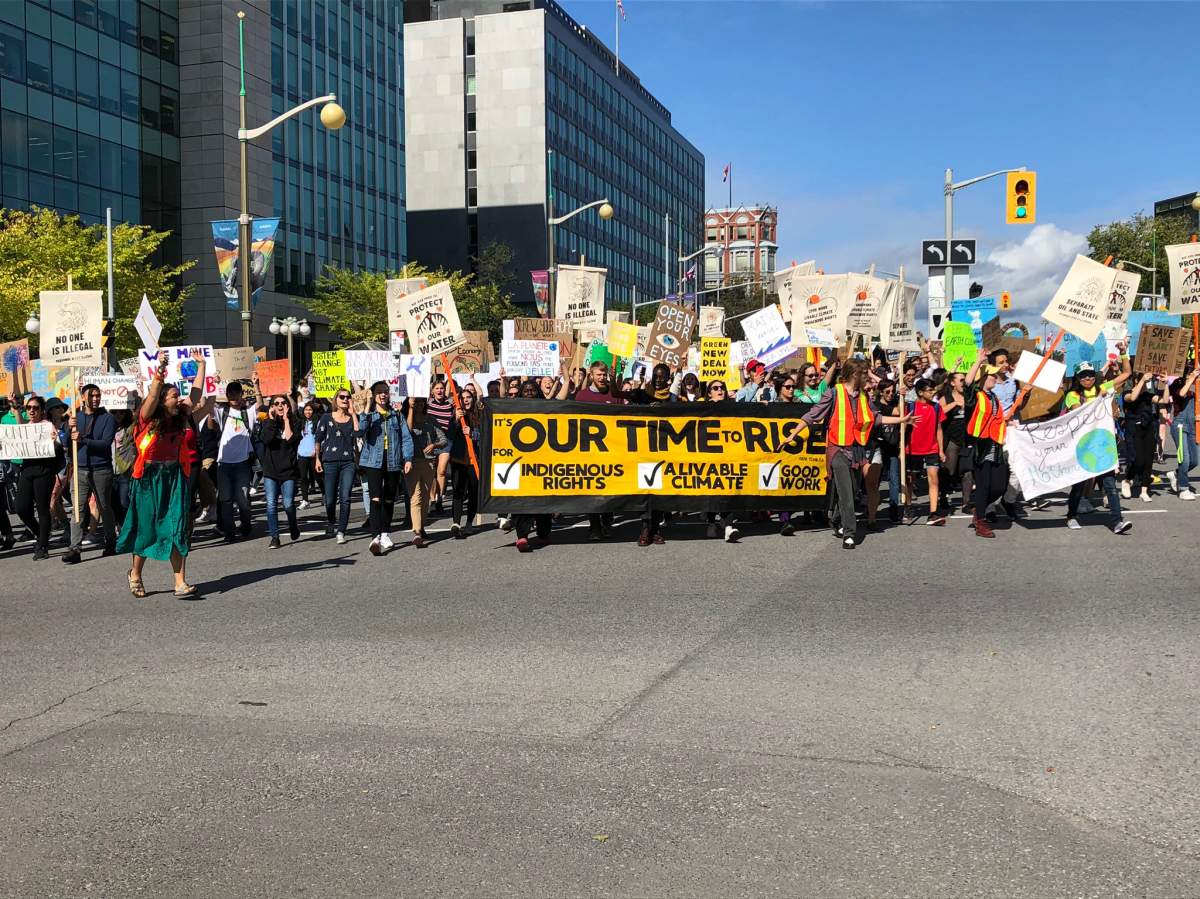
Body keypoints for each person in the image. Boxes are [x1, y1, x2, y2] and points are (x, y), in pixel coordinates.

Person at [793, 359, 909, 549]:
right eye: (865, 374)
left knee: (854, 491)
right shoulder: (833, 393)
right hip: (836, 447)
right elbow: (813, 415)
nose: (868, 378)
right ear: (855, 375)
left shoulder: (864, 396)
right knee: (846, 491)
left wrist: (901, 419)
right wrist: (793, 434)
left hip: (856, 448)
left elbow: (876, 418)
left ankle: (837, 518)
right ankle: (850, 533)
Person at [117, 350, 204, 597]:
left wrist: (202, 365)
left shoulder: (182, 416)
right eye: (174, 396)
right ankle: (135, 574)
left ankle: (180, 583)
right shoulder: (147, 418)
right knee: (147, 528)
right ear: (163, 401)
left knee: (178, 526)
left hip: (175, 477)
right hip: (148, 479)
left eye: (178, 396)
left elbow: (196, 395)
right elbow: (153, 395)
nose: (179, 400)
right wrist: (160, 369)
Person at [1057, 359, 1133, 535]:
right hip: (1083, 446)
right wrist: (1100, 400)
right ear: (1078, 378)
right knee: (1079, 485)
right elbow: (1081, 411)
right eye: (1083, 376)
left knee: (1110, 485)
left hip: (1103, 444)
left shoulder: (1103, 387)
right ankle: (1071, 516)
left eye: (1090, 374)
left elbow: (1127, 374)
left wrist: (1123, 353)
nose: (1087, 378)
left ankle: (1117, 521)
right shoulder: (1072, 395)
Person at [62, 382, 118, 564]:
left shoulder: (107, 418)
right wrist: (67, 427)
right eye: (92, 395)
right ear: (83, 397)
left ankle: (110, 542)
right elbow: (67, 442)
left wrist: (84, 440)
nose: (95, 398)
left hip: (101, 468)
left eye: (98, 395)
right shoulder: (75, 417)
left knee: (104, 507)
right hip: (79, 469)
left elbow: (105, 443)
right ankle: (75, 548)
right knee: (77, 509)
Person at [358, 381, 414, 556]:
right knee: (375, 499)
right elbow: (360, 430)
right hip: (373, 462)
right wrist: (367, 405)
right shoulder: (370, 414)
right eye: (379, 392)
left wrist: (408, 458)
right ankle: (374, 537)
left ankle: (384, 533)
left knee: (389, 499)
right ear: (373, 395)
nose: (383, 395)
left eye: (386, 392)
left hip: (393, 461)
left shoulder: (396, 415)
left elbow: (405, 437)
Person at [962, 350, 1013, 538]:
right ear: (982, 378)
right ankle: (981, 521)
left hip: (996, 446)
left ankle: (978, 508)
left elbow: (996, 419)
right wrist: (978, 361)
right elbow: (967, 383)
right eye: (990, 375)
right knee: (983, 486)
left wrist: (1009, 421)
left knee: (999, 486)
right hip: (980, 448)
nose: (993, 377)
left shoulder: (993, 397)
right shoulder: (974, 397)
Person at [8, 392, 64, 560]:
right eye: (29, 408)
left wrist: (54, 441)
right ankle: (40, 532)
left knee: (42, 509)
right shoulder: (27, 425)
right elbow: (20, 427)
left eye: (35, 408)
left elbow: (58, 446)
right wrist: (16, 407)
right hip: (27, 470)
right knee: (21, 508)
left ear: (42, 411)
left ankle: (42, 546)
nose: (32, 411)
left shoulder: (47, 425)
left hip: (43, 471)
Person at [313, 388, 360, 544]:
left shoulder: (353, 418)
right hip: (330, 461)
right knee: (330, 499)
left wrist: (353, 413)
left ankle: (341, 530)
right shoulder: (326, 418)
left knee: (345, 497)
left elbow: (358, 433)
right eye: (342, 397)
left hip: (348, 462)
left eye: (348, 397)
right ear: (336, 399)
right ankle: (331, 521)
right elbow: (318, 439)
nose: (345, 399)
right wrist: (318, 459)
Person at [256, 394, 303, 548]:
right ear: (273, 407)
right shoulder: (269, 423)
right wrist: (270, 420)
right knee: (271, 505)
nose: (280, 405)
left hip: (288, 470)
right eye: (277, 403)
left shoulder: (295, 422)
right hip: (271, 471)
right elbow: (266, 439)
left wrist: (286, 420)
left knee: (288, 504)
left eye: (283, 403)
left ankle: (293, 524)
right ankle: (274, 537)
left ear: (288, 405)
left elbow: (290, 440)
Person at [213, 380, 257, 541]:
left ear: (241, 393)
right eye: (230, 393)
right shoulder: (222, 411)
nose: (233, 396)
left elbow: (260, 403)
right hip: (223, 463)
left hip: (242, 463)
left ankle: (246, 525)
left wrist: (257, 384)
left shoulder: (248, 412)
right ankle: (229, 533)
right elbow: (207, 402)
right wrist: (214, 383)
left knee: (243, 499)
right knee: (225, 500)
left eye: (236, 393)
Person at [903, 378, 946, 526]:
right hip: (912, 449)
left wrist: (941, 450)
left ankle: (933, 513)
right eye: (930, 390)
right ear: (920, 392)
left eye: (934, 389)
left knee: (934, 479)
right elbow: (901, 426)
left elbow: (939, 429)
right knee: (910, 480)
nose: (933, 392)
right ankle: (908, 506)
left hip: (931, 448)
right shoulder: (910, 406)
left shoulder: (936, 407)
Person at [1121, 370, 1168, 503]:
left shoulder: (1148, 395)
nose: (1146, 382)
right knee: (1138, 459)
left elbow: (1163, 400)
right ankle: (1127, 480)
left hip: (1148, 427)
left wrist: (1166, 385)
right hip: (1133, 427)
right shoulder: (1127, 393)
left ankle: (1144, 490)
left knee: (1148, 461)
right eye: (1142, 379)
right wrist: (1141, 381)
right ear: (1136, 381)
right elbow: (1133, 397)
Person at [405, 397, 445, 548]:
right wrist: (410, 408)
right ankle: (416, 532)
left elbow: (443, 439)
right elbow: (408, 431)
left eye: (422, 402)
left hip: (428, 461)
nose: (419, 405)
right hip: (412, 461)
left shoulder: (431, 420)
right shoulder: (407, 419)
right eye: (417, 403)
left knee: (427, 497)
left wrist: (434, 445)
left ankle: (421, 527)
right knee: (416, 496)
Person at [448, 388, 482, 538]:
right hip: (459, 459)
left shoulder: (480, 415)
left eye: (469, 397)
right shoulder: (456, 416)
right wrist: (455, 420)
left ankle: (469, 523)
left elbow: (485, 435)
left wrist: (473, 433)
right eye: (463, 398)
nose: (466, 400)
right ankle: (456, 522)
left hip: (474, 460)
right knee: (458, 491)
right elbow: (449, 435)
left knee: (473, 492)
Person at [940, 372, 973, 515]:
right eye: (960, 380)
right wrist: (954, 404)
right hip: (951, 439)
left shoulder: (969, 396)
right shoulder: (946, 398)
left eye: (965, 380)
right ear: (953, 383)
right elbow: (938, 414)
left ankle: (966, 503)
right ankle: (943, 496)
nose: (963, 382)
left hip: (967, 439)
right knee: (951, 471)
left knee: (968, 472)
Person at [1167, 366, 1198, 501]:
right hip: (1180, 425)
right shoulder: (1176, 384)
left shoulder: (1196, 385)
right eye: (1190, 372)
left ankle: (1176, 474)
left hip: (1193, 426)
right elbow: (1181, 394)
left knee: (1195, 460)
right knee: (1184, 458)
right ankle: (1183, 488)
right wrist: (1191, 379)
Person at [425, 378, 455, 515]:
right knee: (431, 473)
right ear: (432, 391)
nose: (440, 391)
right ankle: (432, 499)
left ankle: (440, 500)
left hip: (446, 441)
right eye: (437, 388)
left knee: (441, 471)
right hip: (431, 441)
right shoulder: (428, 404)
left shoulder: (450, 405)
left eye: (442, 388)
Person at [296, 401, 318, 509]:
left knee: (317, 476)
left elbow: (321, 438)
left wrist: (317, 451)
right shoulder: (301, 422)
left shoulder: (317, 422)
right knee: (303, 477)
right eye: (306, 410)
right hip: (302, 453)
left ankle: (324, 494)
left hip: (314, 453)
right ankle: (305, 500)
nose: (308, 412)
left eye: (310, 410)